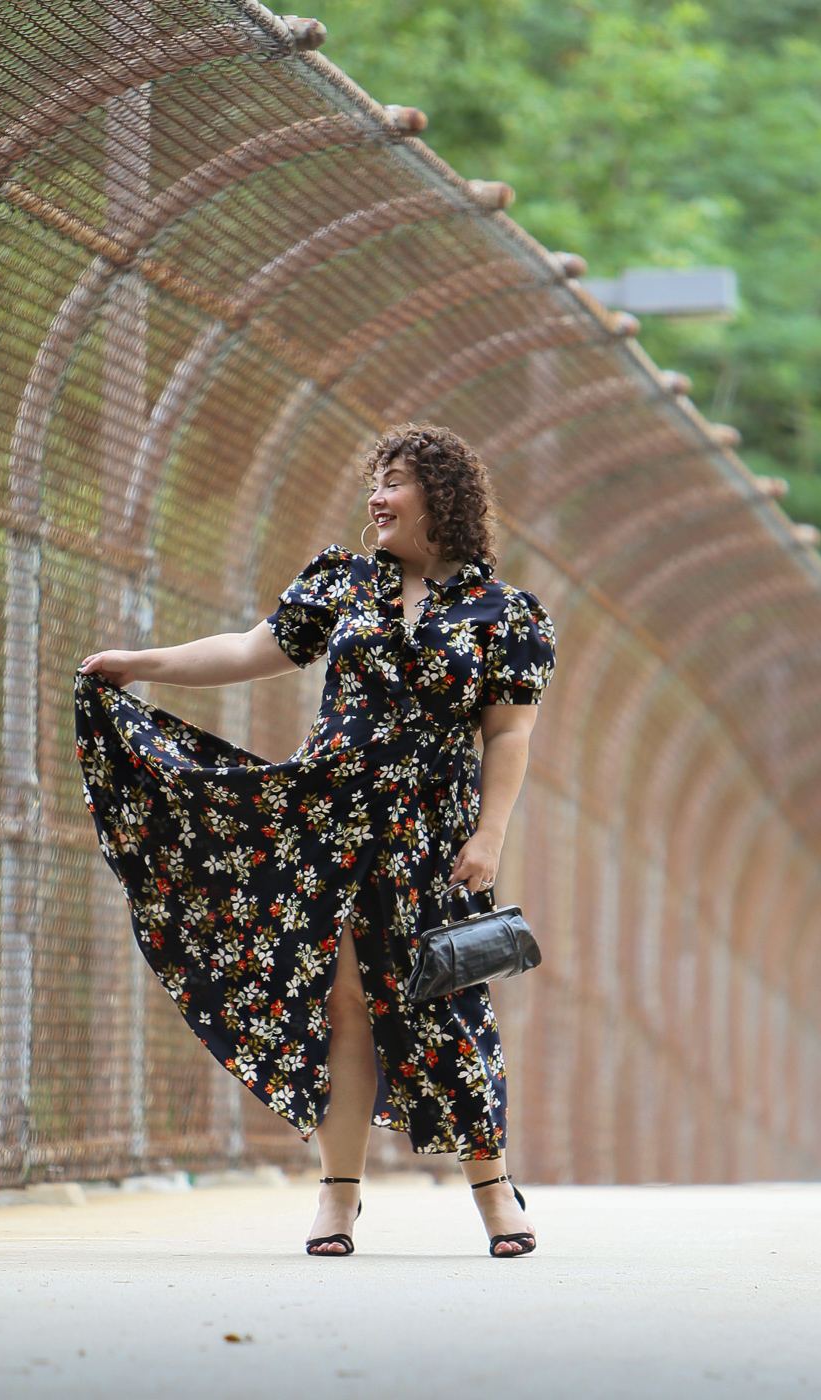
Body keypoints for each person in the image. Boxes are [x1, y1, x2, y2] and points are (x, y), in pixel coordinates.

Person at [76, 423, 556, 1256]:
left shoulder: (503, 614)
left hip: (427, 840)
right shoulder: (341, 583)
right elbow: (249, 650)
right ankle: (338, 1200)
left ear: (441, 498)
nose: (378, 494)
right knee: (344, 1014)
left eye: (396, 480)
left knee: (446, 1007)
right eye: (376, 478)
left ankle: (493, 1195)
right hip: (325, 824)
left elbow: (508, 736)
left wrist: (490, 835)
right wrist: (139, 663)